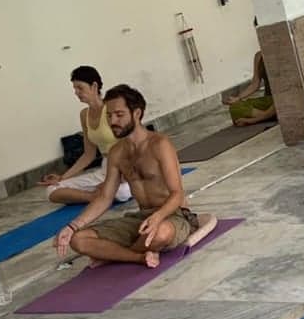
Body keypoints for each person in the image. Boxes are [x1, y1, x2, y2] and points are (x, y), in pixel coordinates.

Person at [56, 85, 215, 268]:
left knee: (160, 233)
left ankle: (114, 253)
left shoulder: (159, 144)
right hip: (140, 218)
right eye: (108, 115)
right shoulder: (117, 152)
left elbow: (177, 193)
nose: (112, 121)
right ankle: (137, 257)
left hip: (173, 215)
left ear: (137, 114)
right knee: (79, 240)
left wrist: (157, 218)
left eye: (119, 115)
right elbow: (105, 197)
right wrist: (72, 226)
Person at [39, 65, 133, 205]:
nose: (76, 92)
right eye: (74, 89)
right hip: (105, 169)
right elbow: (88, 155)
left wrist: (123, 177)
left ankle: (104, 193)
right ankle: (96, 197)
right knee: (52, 190)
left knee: (122, 192)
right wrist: (62, 178)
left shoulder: (111, 110)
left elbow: (131, 144)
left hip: (126, 168)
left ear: (94, 86)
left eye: (80, 88)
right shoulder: (84, 115)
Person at [225, 51, 276, 126]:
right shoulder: (259, 56)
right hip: (268, 100)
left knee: (284, 100)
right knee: (234, 107)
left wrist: (252, 120)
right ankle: (271, 115)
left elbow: (287, 94)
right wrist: (238, 98)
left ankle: (261, 117)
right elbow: (255, 84)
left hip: (282, 100)